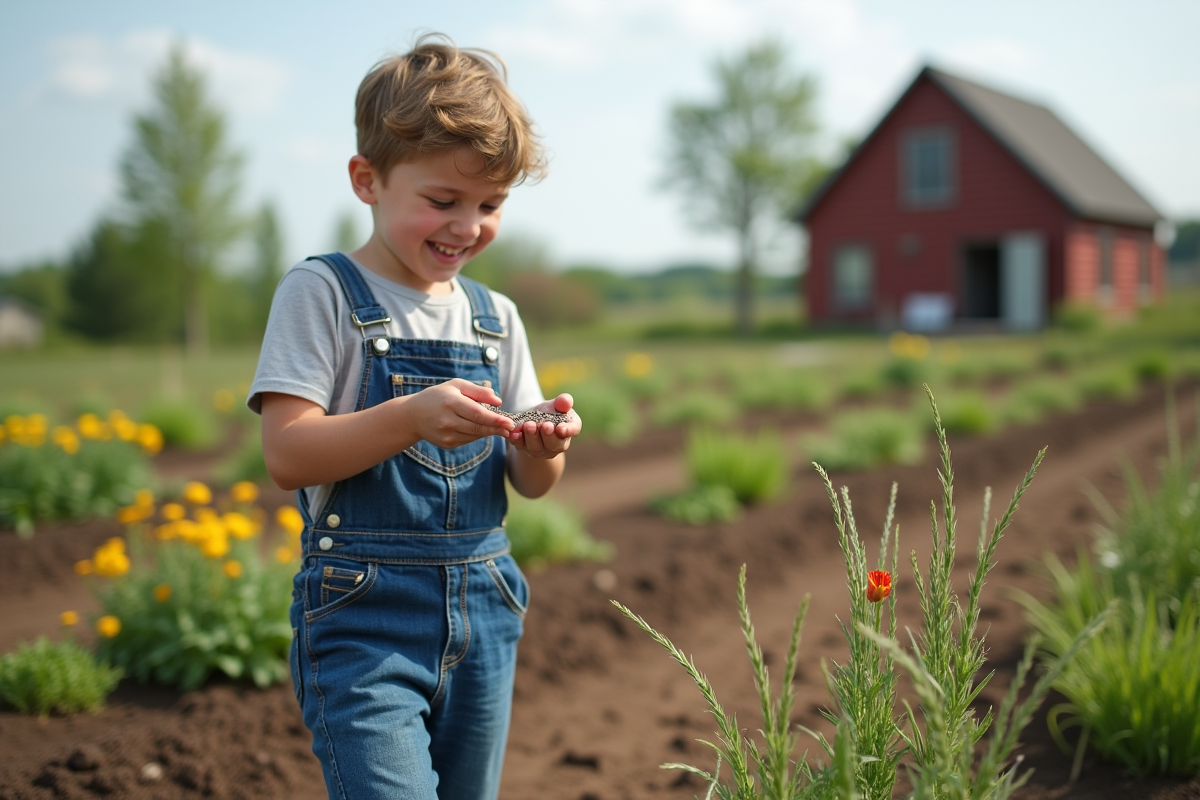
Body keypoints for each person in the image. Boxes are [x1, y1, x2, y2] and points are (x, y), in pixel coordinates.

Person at [246, 33, 579, 800]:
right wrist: (410, 417)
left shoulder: (496, 318)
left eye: (490, 205)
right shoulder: (322, 293)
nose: (468, 226)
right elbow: (288, 454)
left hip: (485, 610)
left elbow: (532, 485)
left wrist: (543, 442)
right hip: (363, 615)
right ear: (367, 180)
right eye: (442, 201)